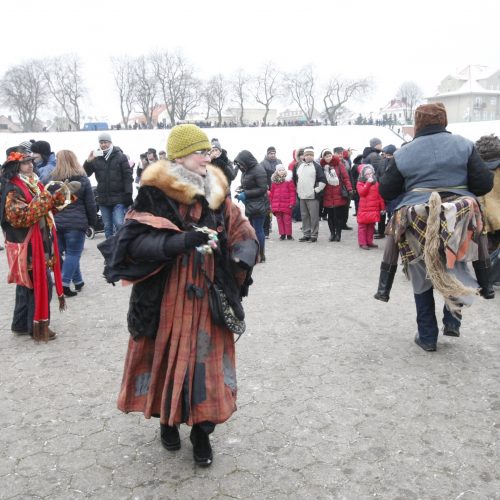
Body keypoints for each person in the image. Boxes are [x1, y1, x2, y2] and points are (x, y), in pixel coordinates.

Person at [103, 124, 258, 467]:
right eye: (201, 152)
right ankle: (167, 421)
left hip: (208, 295)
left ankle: (202, 432)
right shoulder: (154, 193)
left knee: (207, 366)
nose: (208, 157)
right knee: (168, 359)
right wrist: (180, 242)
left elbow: (240, 229)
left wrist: (244, 252)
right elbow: (134, 244)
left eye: (208, 152)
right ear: (179, 157)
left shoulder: (218, 191)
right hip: (166, 298)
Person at [378, 102, 493, 352]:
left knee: (420, 272)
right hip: (458, 219)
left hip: (417, 218)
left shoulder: (403, 152)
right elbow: (484, 184)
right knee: (456, 263)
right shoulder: (464, 145)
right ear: (444, 121)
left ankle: (427, 336)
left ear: (417, 124)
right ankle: (454, 318)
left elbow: (386, 190)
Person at [0, 151, 73, 341]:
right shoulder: (13, 188)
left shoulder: (32, 182)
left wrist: (62, 196)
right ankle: (38, 326)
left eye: (31, 162)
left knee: (27, 284)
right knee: (40, 283)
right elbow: (22, 217)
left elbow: (45, 209)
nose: (30, 165)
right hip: (27, 244)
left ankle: (20, 324)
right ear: (16, 167)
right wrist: (46, 197)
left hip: (37, 240)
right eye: (25, 163)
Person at [49, 150, 97, 297]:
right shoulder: (82, 179)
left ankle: (78, 280)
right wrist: (92, 222)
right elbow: (90, 203)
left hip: (57, 222)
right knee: (74, 254)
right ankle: (64, 283)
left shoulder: (50, 180)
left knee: (65, 254)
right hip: (76, 222)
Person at [83, 132, 133, 238]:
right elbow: (86, 174)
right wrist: (88, 161)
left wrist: (128, 194)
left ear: (110, 142)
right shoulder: (96, 158)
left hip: (118, 197)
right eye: (101, 142)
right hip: (103, 199)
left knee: (119, 223)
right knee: (107, 227)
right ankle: (110, 251)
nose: (103, 145)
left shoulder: (120, 156)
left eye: (105, 142)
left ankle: (122, 244)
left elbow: (128, 177)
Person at [234, 150, 269, 261]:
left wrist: (246, 193)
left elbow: (263, 188)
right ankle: (255, 253)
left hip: (259, 204)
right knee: (252, 230)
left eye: (240, 164)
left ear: (246, 161)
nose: (239, 166)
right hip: (251, 204)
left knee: (258, 230)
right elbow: (250, 183)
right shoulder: (246, 170)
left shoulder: (259, 170)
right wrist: (241, 188)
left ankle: (261, 255)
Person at [293, 146, 327, 242]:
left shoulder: (317, 166)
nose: (308, 156)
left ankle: (314, 235)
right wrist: (298, 190)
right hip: (302, 196)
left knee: (314, 217)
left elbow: (323, 181)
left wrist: (315, 190)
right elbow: (295, 179)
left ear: (313, 156)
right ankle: (306, 234)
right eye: (307, 155)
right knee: (304, 216)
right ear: (304, 156)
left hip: (313, 196)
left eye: (311, 155)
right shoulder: (299, 166)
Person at [356, 164, 385, 250]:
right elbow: (362, 193)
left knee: (371, 226)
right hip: (364, 209)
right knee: (363, 227)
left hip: (373, 209)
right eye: (367, 174)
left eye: (370, 173)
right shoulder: (360, 183)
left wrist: (382, 207)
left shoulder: (376, 183)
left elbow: (380, 196)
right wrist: (368, 183)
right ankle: (362, 243)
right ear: (363, 175)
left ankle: (369, 241)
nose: (369, 175)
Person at [269, 163, 296, 240]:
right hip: (276, 205)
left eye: (283, 170)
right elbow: (272, 194)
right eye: (280, 170)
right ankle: (282, 234)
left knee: (287, 220)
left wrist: (292, 203)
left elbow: (292, 192)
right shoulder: (274, 182)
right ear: (277, 172)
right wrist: (271, 204)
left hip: (287, 204)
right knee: (279, 220)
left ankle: (289, 234)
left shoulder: (288, 180)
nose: (281, 171)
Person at [260, 146, 282, 238]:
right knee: (267, 209)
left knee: (276, 208)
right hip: (268, 190)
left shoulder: (279, 162)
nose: (272, 155)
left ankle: (280, 229)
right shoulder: (262, 163)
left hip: (278, 189)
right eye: (271, 153)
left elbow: (283, 174)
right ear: (267, 154)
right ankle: (266, 230)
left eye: (274, 153)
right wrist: (265, 186)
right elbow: (261, 176)